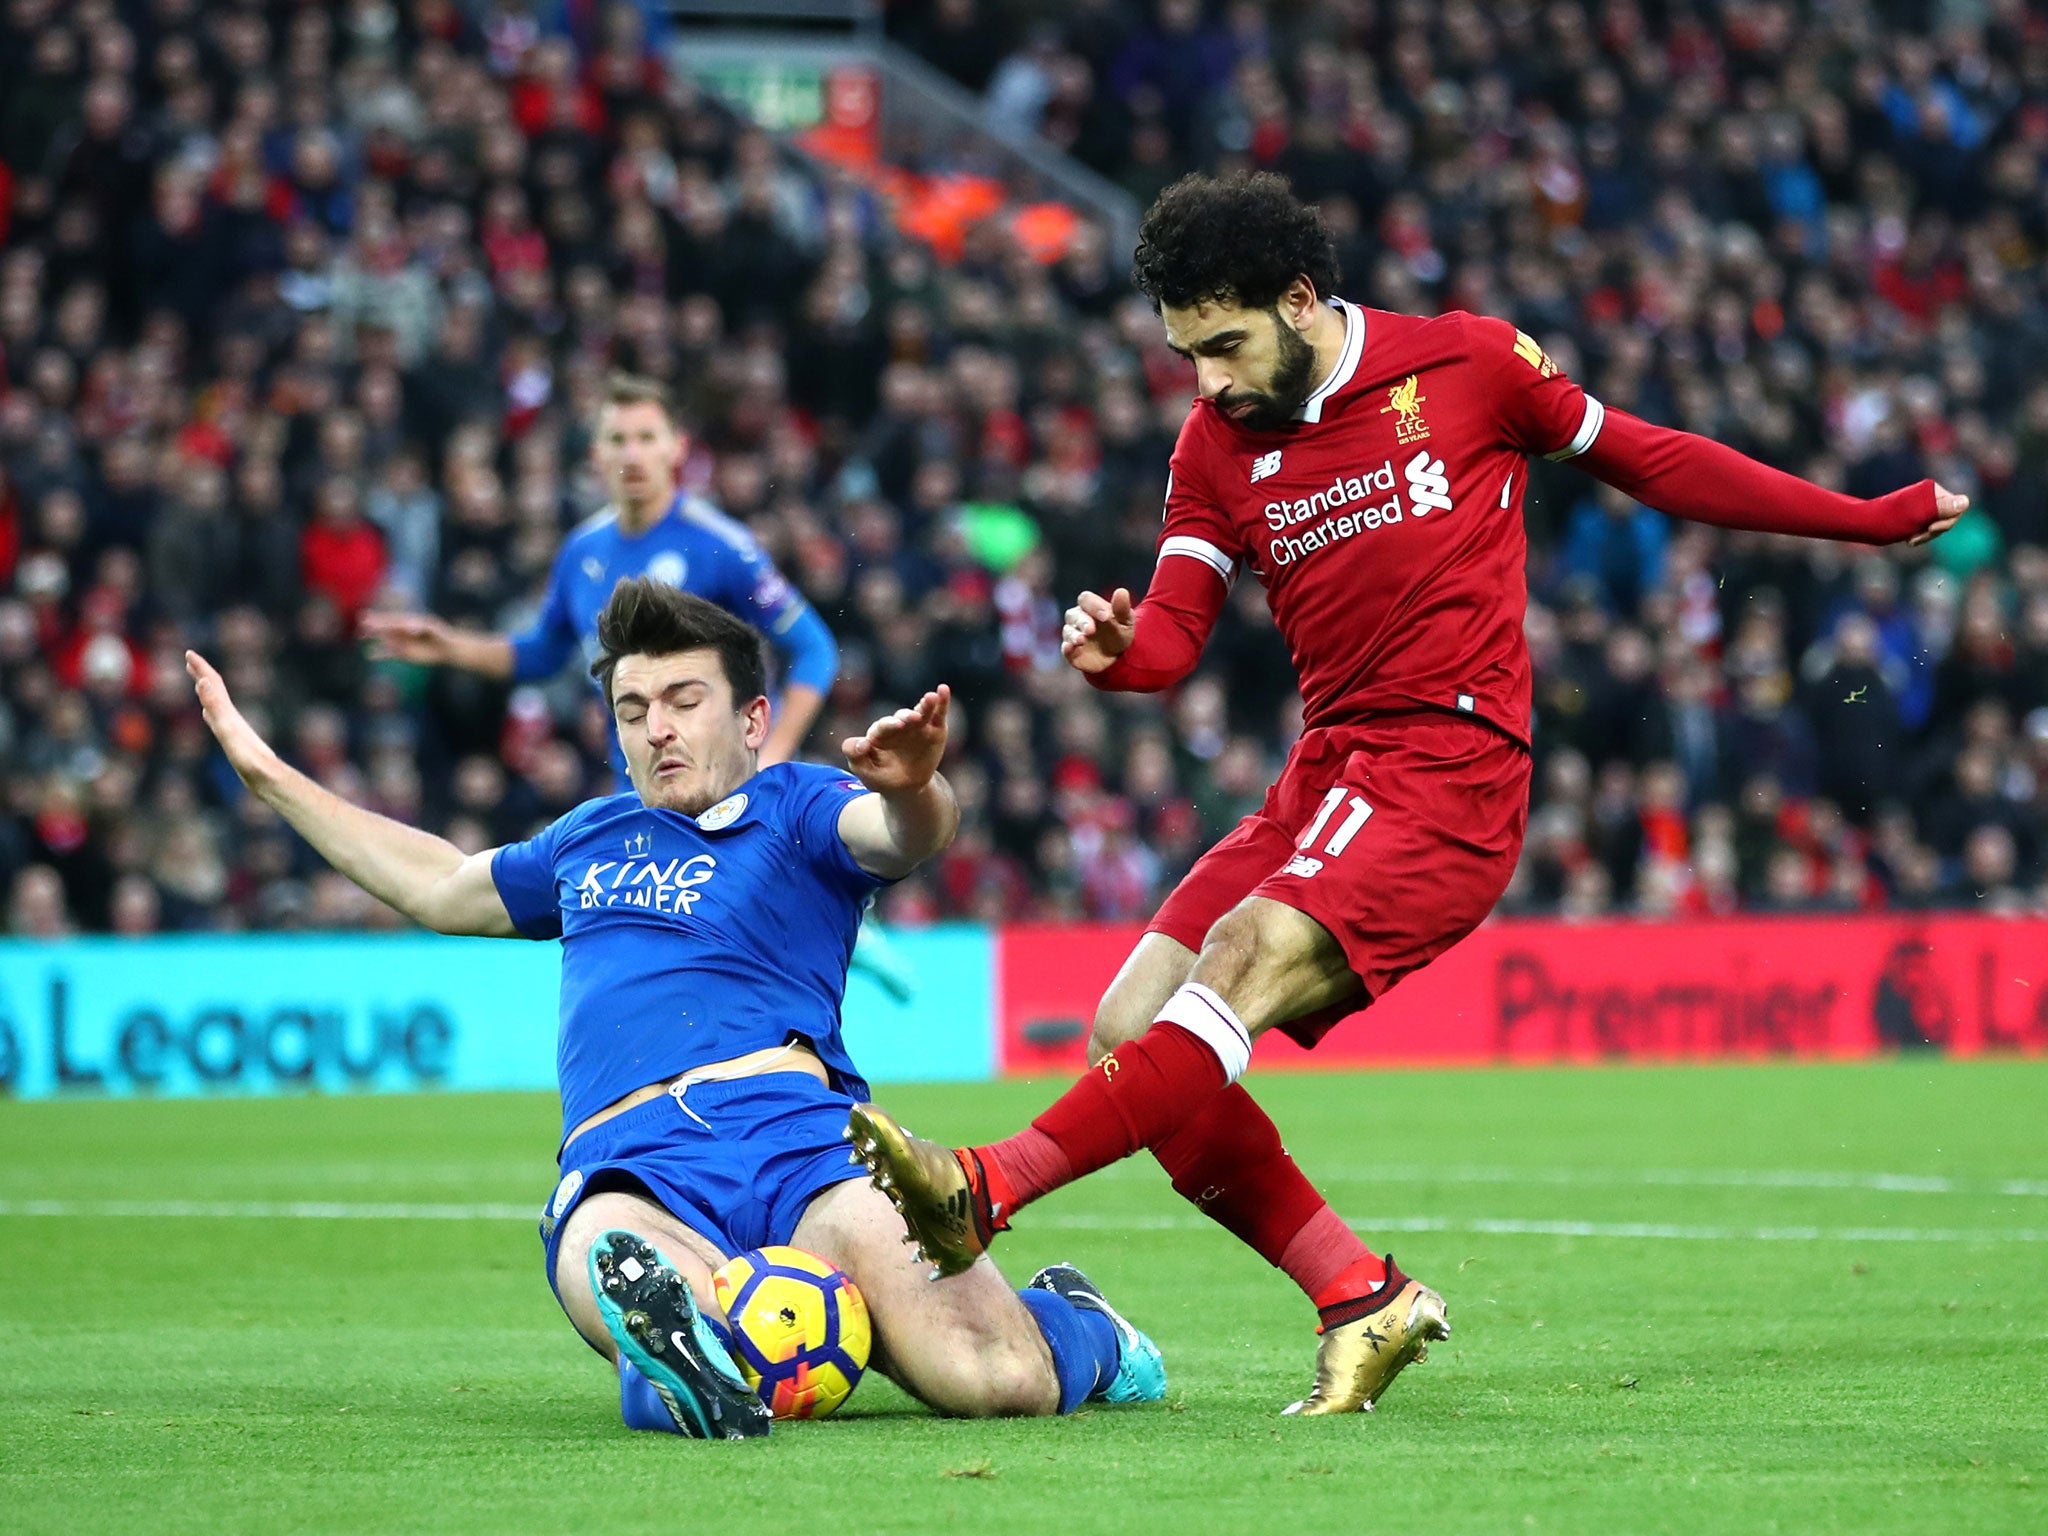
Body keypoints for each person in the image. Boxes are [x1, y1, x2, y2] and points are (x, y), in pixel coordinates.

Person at [847, 171, 1965, 1418]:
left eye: (1222, 345)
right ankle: (1356, 1296)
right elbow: (1171, 634)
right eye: (1182, 355)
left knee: (1243, 953)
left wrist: (1863, 521)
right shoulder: (1213, 446)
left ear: (1299, 298)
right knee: (1127, 1025)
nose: (1205, 380)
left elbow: (1650, 460)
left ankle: (986, 1186)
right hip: (1324, 773)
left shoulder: (1471, 368)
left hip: (1449, 765)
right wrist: (1115, 655)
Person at [188, 578, 1164, 1439]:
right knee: (610, 1249)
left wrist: (918, 787)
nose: (654, 726)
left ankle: (1069, 1318)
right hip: (636, 1166)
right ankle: (675, 1348)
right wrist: (271, 780)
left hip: (809, 1149)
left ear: (750, 718)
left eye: (682, 700)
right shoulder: (586, 839)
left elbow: (901, 831)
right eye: (631, 707)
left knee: (995, 1382)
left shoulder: (798, 806)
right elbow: (441, 884)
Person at [361, 373, 837, 772]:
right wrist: (449, 645)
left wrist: (773, 753)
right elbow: (545, 652)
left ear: (677, 449)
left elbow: (815, 649)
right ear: (596, 455)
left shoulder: (721, 545)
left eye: (647, 438)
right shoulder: (580, 551)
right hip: (637, 787)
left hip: (730, 784)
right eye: (617, 440)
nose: (632, 454)